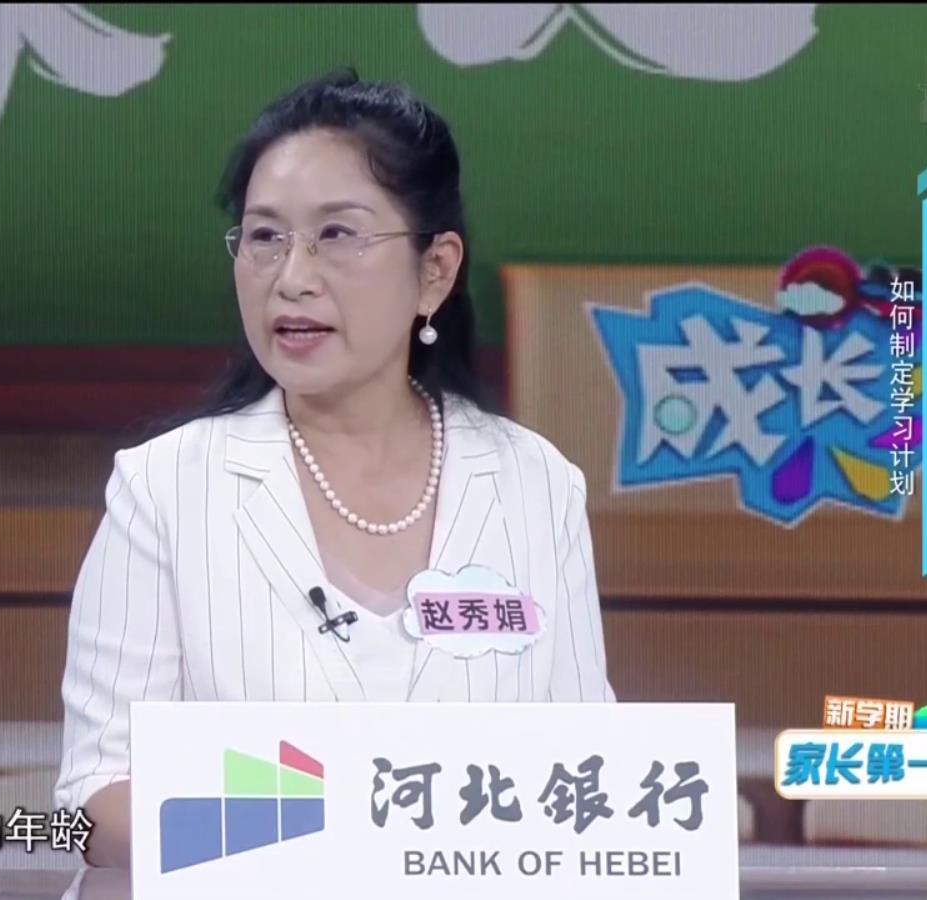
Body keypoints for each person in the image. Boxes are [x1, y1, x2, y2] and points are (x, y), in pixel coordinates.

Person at [54, 69, 615, 870]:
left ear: (435, 270)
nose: (292, 277)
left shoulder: (535, 484)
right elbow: (99, 795)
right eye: (264, 238)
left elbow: (590, 766)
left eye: (338, 235)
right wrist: (340, 840)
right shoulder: (165, 489)